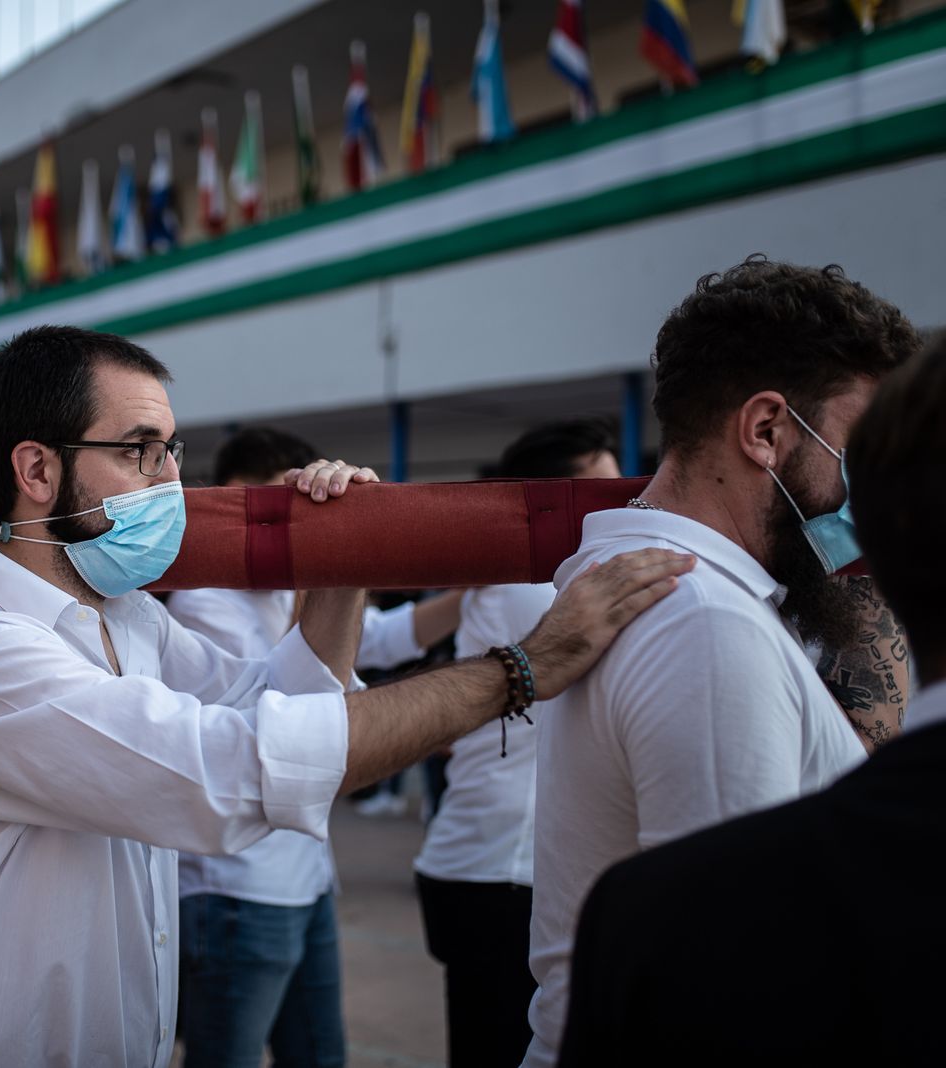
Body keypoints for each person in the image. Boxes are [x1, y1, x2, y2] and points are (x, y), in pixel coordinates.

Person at [0, 324, 686, 1068]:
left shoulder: (133, 622)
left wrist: (340, 561)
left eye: (172, 450)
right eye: (141, 451)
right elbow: (236, 770)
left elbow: (280, 700)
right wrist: (520, 671)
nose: (171, 482)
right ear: (36, 470)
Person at [521, 258, 919, 1068]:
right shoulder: (702, 625)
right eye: (862, 448)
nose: (875, 485)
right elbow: (735, 977)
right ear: (767, 430)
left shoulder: (674, 592)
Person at [168, 426, 463, 1068]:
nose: (293, 523)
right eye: (282, 507)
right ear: (240, 500)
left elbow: (374, 638)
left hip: (306, 877)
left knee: (322, 1055)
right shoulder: (203, 604)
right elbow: (301, 714)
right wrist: (320, 560)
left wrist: (468, 594)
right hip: (236, 889)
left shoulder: (277, 587)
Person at [413, 419, 620, 1068]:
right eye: (604, 494)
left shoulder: (532, 580)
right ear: (552, 498)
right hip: (495, 874)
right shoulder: (538, 591)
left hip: (490, 867)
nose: (626, 508)